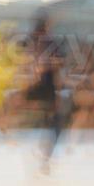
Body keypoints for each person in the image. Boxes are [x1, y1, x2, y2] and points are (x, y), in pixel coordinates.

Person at [23, 11, 65, 174]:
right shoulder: (50, 41)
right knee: (56, 121)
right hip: (46, 85)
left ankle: (41, 151)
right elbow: (57, 63)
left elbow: (26, 62)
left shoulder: (29, 40)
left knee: (48, 119)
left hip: (33, 85)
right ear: (47, 24)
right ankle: (44, 157)